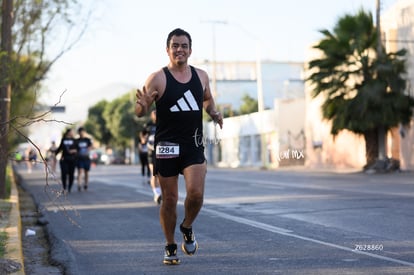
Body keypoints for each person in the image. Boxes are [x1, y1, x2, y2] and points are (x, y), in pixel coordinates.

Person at [135, 28, 223, 265]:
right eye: (175, 45)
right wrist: (142, 106)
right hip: (166, 146)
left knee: (196, 194)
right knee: (170, 199)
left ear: (190, 50)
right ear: (168, 49)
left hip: (193, 144)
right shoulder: (158, 78)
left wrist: (213, 112)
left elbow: (206, 98)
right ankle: (170, 245)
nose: (179, 49)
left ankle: (186, 226)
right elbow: (140, 110)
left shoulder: (202, 76)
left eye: (184, 46)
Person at [146, 109, 162, 204]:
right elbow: (142, 135)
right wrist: (143, 140)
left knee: (160, 174)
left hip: (161, 152)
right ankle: (156, 193)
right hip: (151, 152)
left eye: (157, 113)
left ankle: (159, 192)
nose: (155, 115)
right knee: (154, 174)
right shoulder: (148, 125)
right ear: (151, 116)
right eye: (154, 113)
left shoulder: (162, 123)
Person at [55, 128, 77, 193]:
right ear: (68, 132)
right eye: (72, 131)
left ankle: (69, 187)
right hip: (64, 159)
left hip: (72, 160)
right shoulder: (63, 139)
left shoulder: (74, 140)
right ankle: (64, 188)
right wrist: (55, 154)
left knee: (71, 174)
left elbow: (77, 149)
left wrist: (74, 150)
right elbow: (60, 148)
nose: (73, 133)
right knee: (64, 173)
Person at [76, 127, 93, 191]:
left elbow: (91, 146)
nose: (82, 134)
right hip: (79, 158)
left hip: (87, 158)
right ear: (79, 133)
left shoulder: (87, 140)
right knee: (80, 171)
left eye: (83, 132)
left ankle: (86, 184)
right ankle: (79, 184)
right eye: (80, 132)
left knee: (86, 172)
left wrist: (89, 149)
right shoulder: (77, 140)